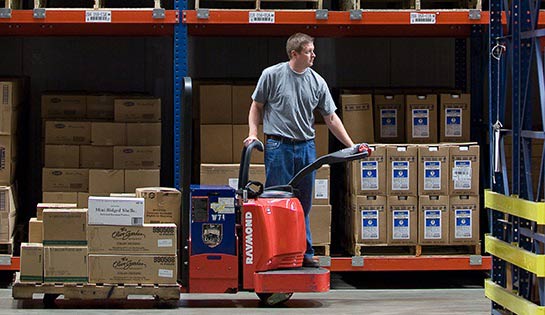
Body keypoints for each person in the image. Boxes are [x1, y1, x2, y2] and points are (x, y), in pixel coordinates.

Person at [244, 33, 356, 268]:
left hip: (306, 147)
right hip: (278, 146)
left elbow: (331, 117)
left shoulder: (317, 81)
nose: (313, 55)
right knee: (277, 202)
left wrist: (351, 146)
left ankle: (303, 253)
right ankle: (276, 252)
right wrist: (253, 133)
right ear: (294, 54)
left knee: (302, 203)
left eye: (313, 51)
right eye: (308, 51)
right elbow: (257, 106)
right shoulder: (272, 75)